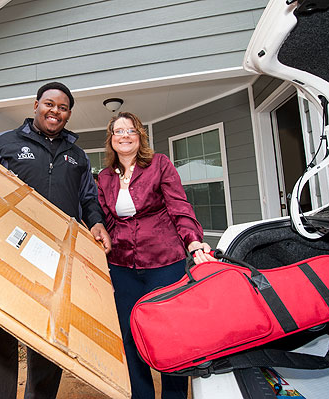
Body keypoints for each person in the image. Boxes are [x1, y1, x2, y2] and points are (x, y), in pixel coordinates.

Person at [0, 81, 111, 399]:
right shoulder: (1, 143)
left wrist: (97, 222)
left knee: (50, 340)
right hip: (6, 254)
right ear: (35, 105)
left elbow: (88, 198)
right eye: (49, 104)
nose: (54, 111)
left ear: (69, 114)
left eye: (62, 107)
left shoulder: (78, 156)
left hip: (56, 259)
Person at [96, 111, 215, 399]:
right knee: (130, 336)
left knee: (170, 335)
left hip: (164, 263)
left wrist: (194, 243)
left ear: (140, 137)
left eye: (131, 130)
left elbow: (179, 207)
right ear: (111, 140)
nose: (124, 135)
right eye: (118, 131)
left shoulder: (159, 164)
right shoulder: (104, 178)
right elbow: (105, 221)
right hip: (122, 267)